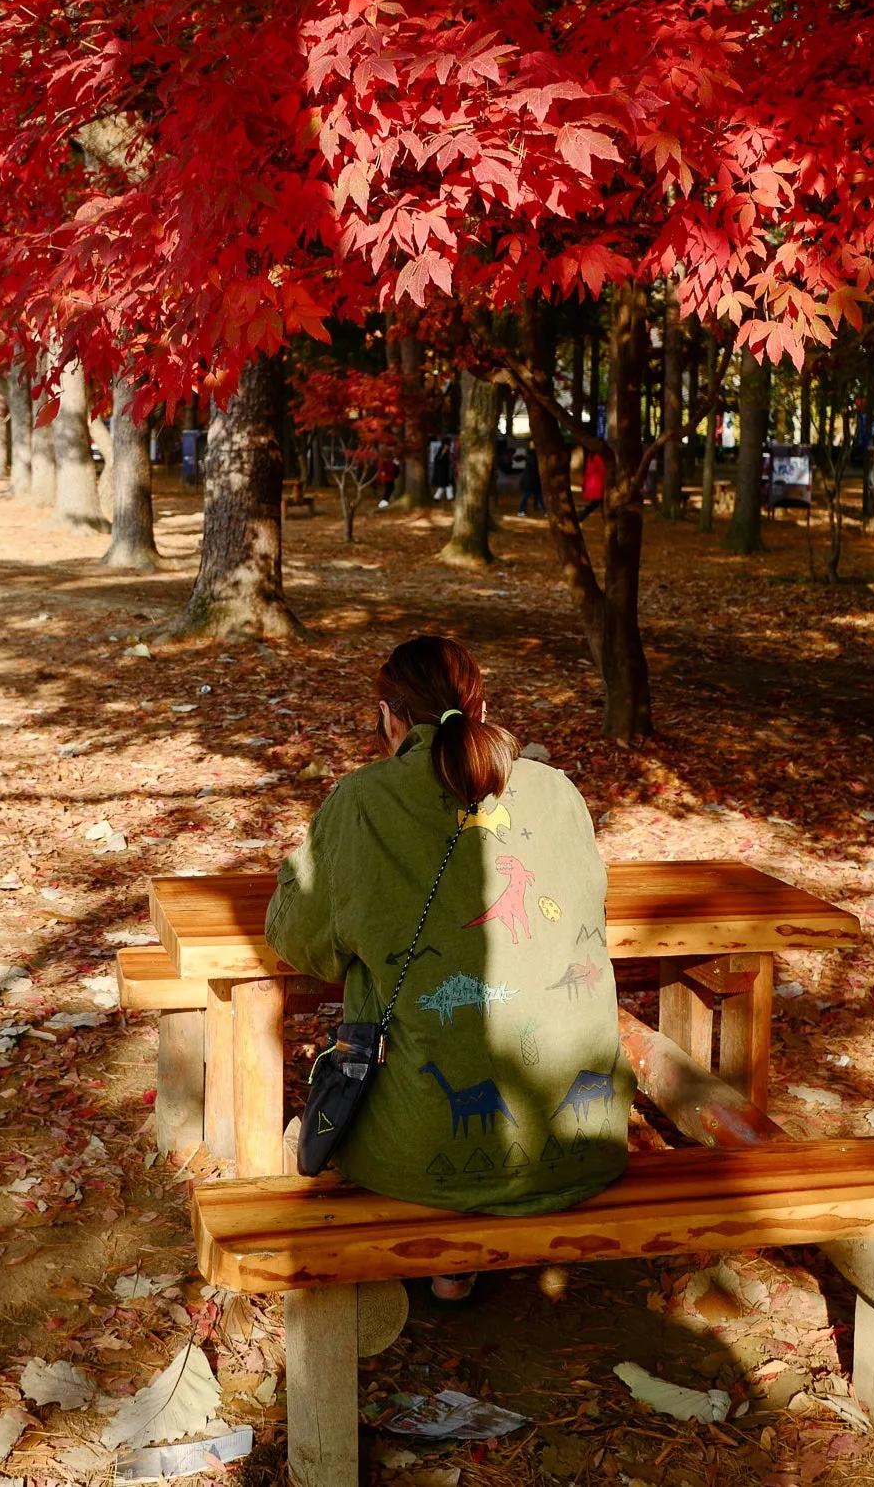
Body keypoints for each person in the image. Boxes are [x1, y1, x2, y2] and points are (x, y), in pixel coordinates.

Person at [266, 635, 631, 1300]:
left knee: (311, 1131)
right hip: (587, 1147)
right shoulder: (557, 792)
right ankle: (455, 1266)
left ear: (388, 717)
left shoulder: (363, 801)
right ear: (481, 705)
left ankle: (448, 1254)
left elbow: (298, 940)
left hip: (420, 1159)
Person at [517, 438, 544, 516]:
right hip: (531, 480)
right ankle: (520, 510)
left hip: (532, 480)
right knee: (529, 495)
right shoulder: (532, 457)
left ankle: (545, 511)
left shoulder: (529, 456)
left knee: (538, 495)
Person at [581, 449, 606, 519]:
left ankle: (581, 516)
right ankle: (581, 516)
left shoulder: (590, 457)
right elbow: (602, 470)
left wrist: (584, 483)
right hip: (598, 484)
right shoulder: (598, 457)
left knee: (596, 504)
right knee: (599, 504)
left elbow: (587, 471)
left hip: (592, 485)